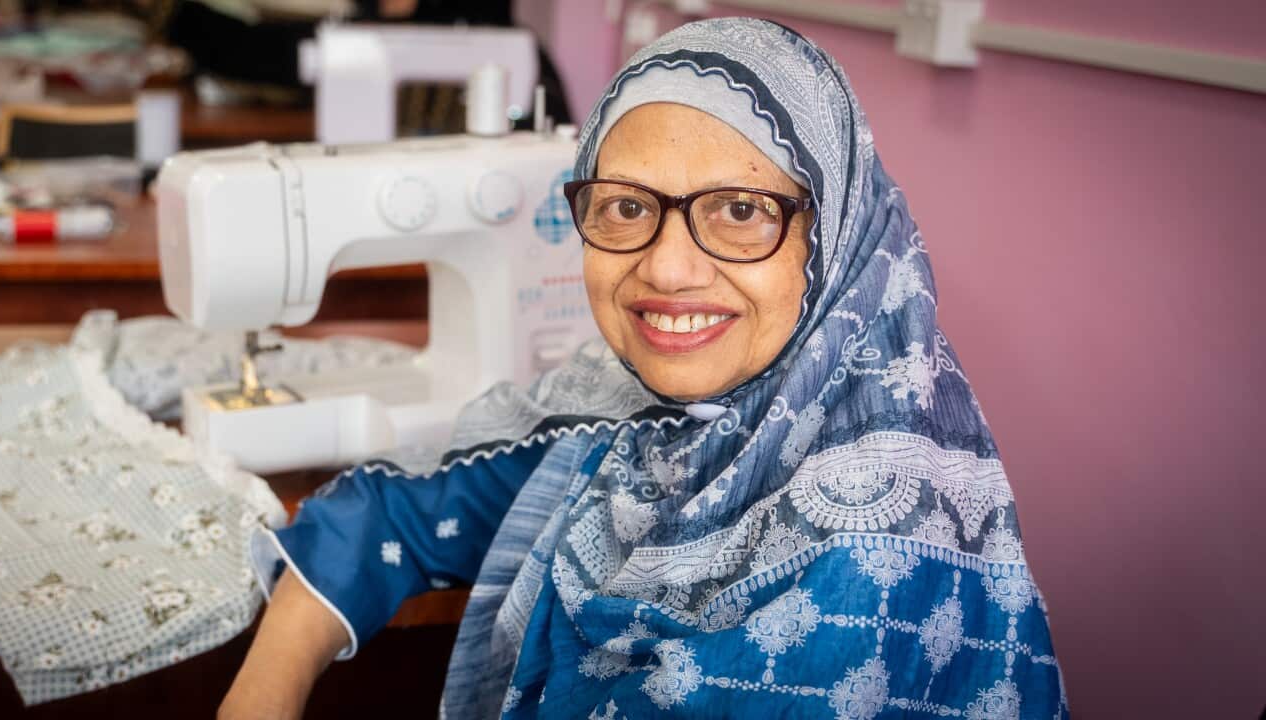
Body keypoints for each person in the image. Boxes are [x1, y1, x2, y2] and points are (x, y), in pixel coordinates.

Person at [220, 17, 1068, 719]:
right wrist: (261, 695)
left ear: (838, 238)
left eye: (741, 210)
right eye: (627, 206)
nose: (666, 269)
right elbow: (397, 510)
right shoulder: (633, 427)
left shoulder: (872, 565)